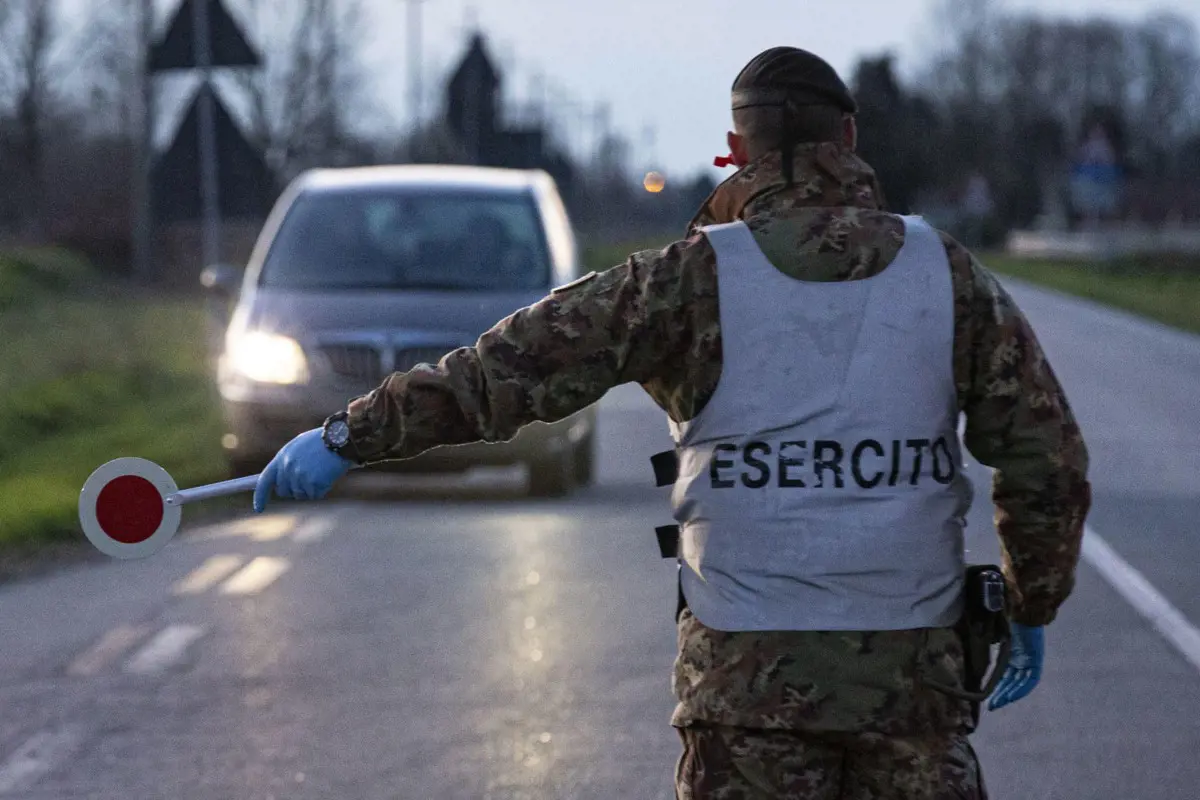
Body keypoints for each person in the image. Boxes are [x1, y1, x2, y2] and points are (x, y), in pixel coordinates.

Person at [253, 46, 1090, 799]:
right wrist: (1030, 603)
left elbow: (504, 372)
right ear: (850, 135)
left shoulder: (686, 281)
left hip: (745, 694)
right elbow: (1046, 457)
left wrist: (345, 437)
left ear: (739, 145)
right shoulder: (947, 277)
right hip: (916, 691)